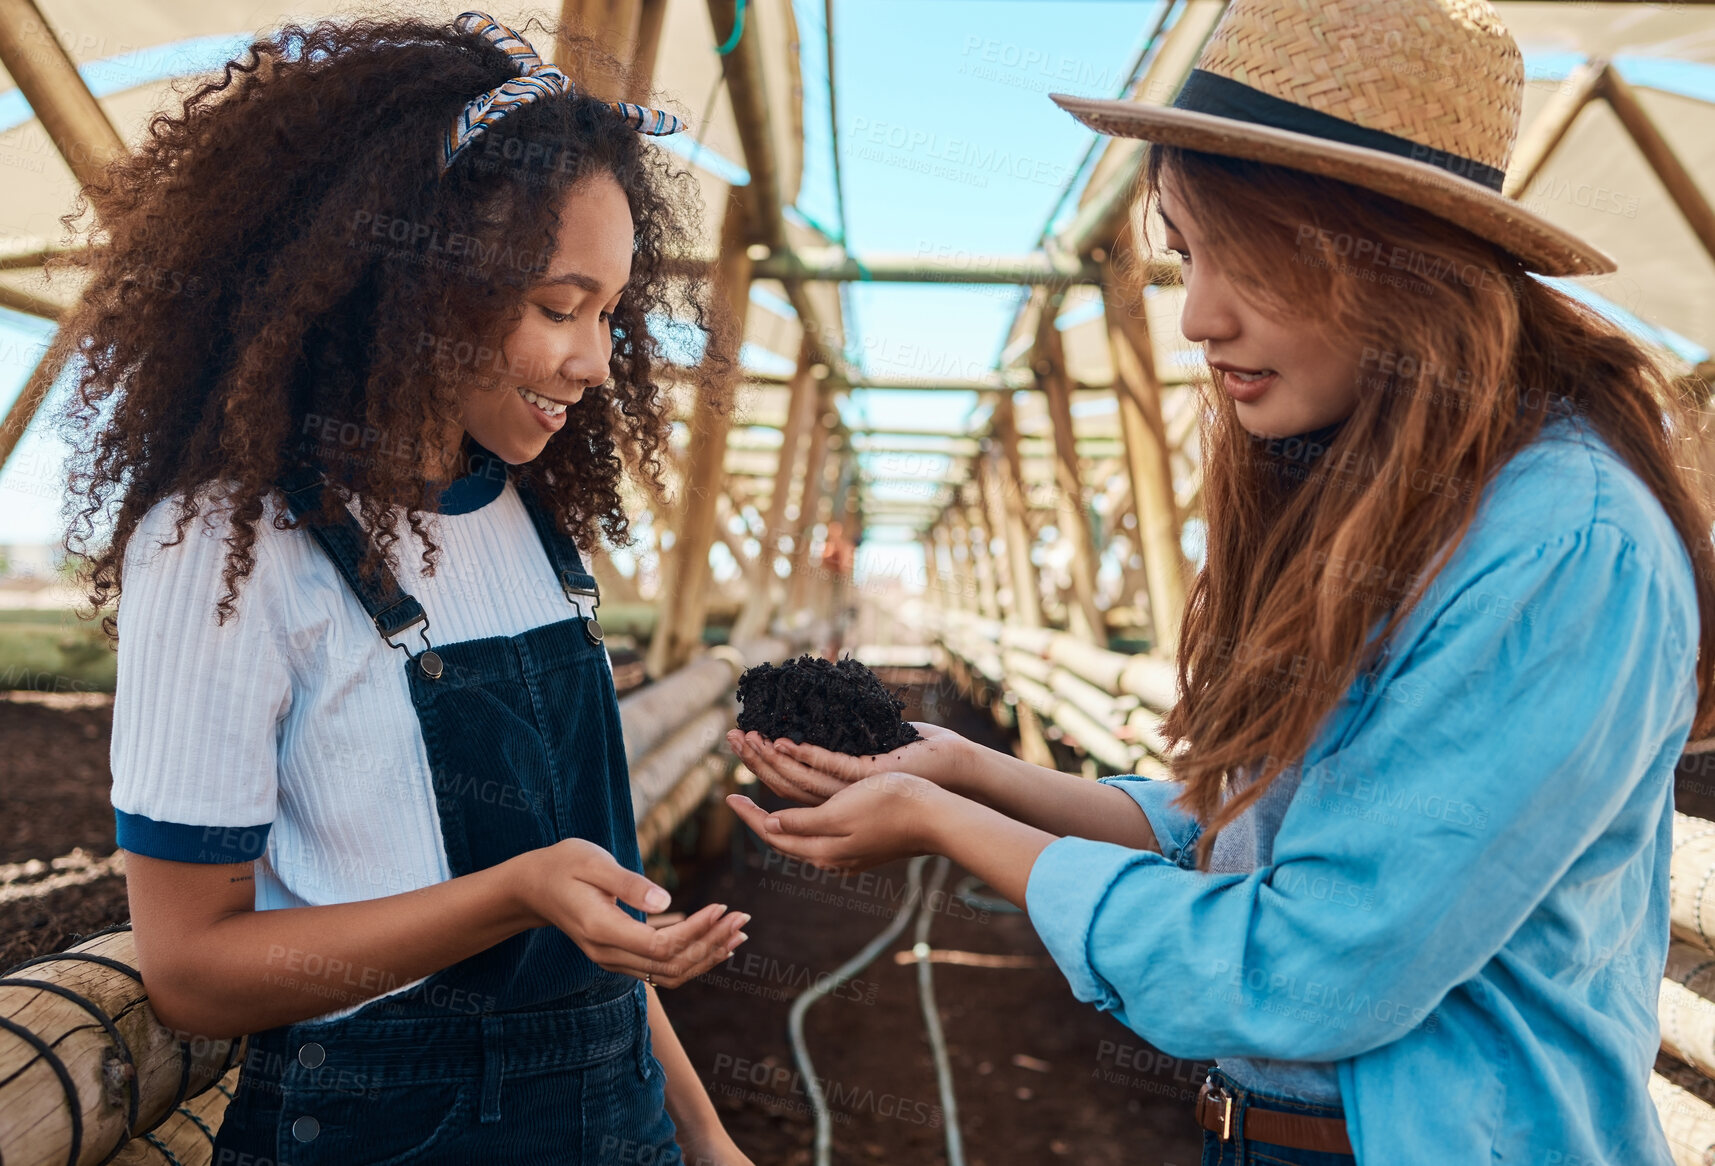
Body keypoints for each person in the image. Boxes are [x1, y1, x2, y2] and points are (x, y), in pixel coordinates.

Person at [725, 0, 1715, 1163]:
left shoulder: (1558, 544)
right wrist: (964, 769)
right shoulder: (1394, 496)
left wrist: (943, 820)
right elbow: (1256, 835)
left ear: (1393, 260)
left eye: (1243, 258)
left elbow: (1307, 968)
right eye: (1187, 257)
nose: (1195, 316)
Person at [50, 11, 752, 1164]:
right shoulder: (227, 544)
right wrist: (514, 892)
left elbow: (595, 921)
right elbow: (188, 968)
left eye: (610, 313)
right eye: (555, 306)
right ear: (411, 279)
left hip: (616, 1120)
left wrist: (704, 1132)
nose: (592, 361)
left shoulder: (528, 520)